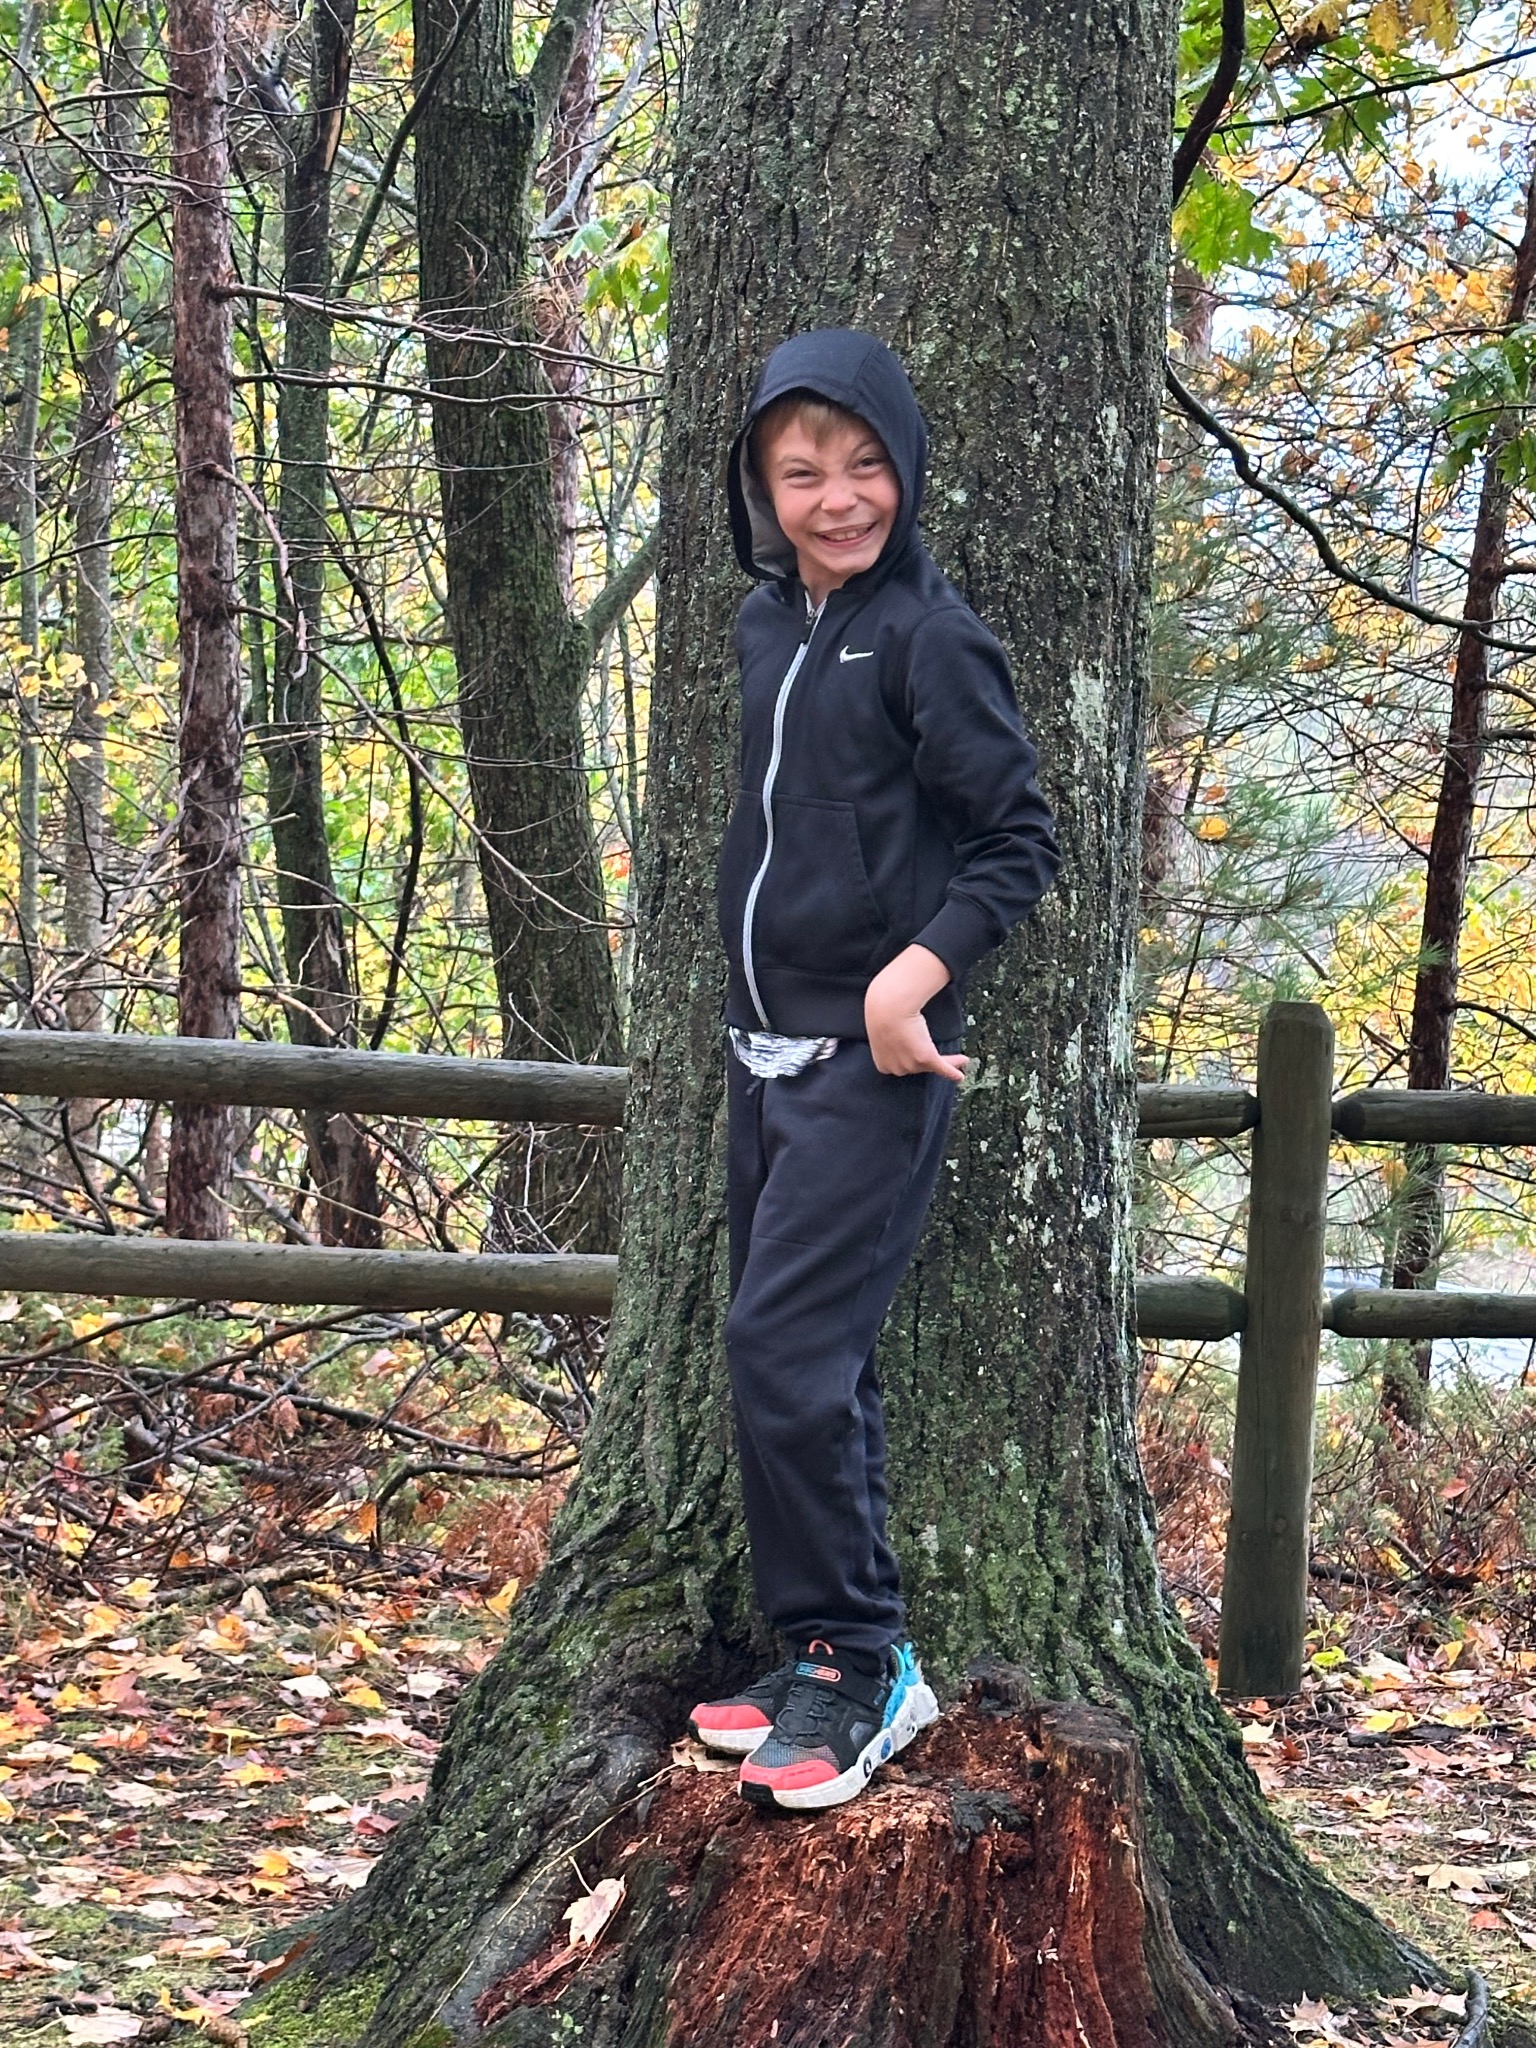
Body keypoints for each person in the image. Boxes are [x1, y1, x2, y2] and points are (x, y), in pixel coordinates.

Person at [687, 329, 1061, 1811]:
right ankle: (812, 1650)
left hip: (871, 1062)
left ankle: (869, 1666)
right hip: (760, 1058)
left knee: (784, 1354)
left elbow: (1017, 840)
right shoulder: (765, 625)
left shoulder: (928, 638)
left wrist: (912, 976)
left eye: (863, 466)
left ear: (904, 466)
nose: (837, 498)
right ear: (761, 490)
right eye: (801, 474)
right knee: (786, 1365)